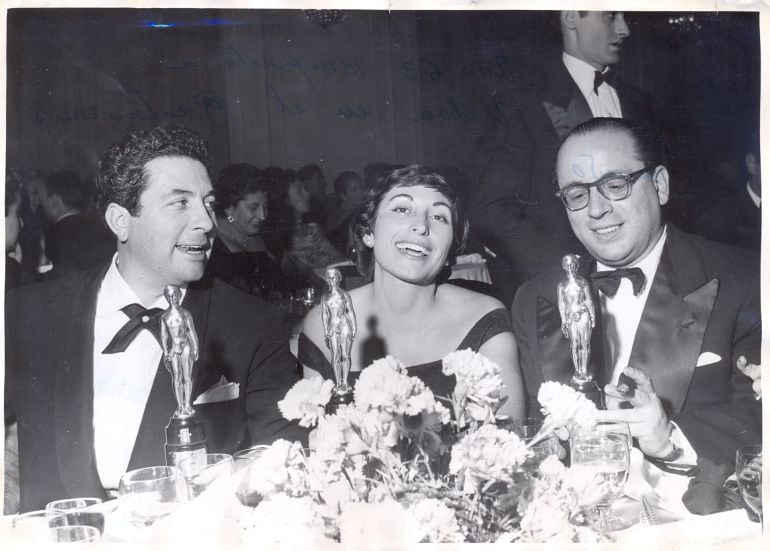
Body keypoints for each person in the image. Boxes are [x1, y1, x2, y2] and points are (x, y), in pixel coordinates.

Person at [5, 124, 305, 511]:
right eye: (180, 203)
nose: (206, 223)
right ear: (120, 220)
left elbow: (281, 457)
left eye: (208, 204)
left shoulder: (254, 324)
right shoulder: (30, 312)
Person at [511, 118, 760, 512]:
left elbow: (759, 415)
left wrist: (670, 437)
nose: (596, 209)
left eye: (615, 185)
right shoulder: (534, 299)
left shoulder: (746, 279)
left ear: (659, 185)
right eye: (576, 194)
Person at [299, 165, 525, 419]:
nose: (421, 225)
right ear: (368, 233)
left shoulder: (484, 319)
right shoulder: (325, 323)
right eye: (401, 209)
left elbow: (509, 442)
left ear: (452, 247)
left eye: (439, 217)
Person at [469, 11, 657, 303]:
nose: (624, 29)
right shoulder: (518, 100)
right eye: (610, 16)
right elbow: (490, 210)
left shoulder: (641, 102)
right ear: (570, 16)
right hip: (564, 292)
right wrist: (570, 276)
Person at [207, 163, 306, 298]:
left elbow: (299, 276)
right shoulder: (211, 247)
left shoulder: (266, 237)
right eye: (253, 208)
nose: (263, 216)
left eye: (265, 207)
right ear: (229, 207)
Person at [265, 167, 348, 278]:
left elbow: (341, 260)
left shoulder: (313, 229)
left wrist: (329, 259)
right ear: (285, 200)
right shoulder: (278, 237)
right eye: (299, 191)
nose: (307, 194)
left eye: (304, 189)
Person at [35, 170, 115, 277]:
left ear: (54, 202)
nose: (39, 205)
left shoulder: (52, 235)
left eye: (41, 200)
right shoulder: (102, 228)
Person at [161, 285, 198, 417]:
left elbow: (192, 332)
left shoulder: (185, 313)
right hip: (173, 349)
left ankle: (187, 404)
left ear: (179, 295)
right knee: (176, 377)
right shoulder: (164, 316)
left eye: (174, 295)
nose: (172, 298)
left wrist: (196, 348)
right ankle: (180, 406)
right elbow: (164, 336)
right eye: (169, 296)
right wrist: (166, 352)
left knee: (187, 376)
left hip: (186, 346)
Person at [557, 253, 595, 381]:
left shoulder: (582, 282)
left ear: (576, 265)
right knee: (574, 344)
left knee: (585, 343)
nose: (570, 267)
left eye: (572, 264)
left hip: (583, 314)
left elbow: (589, 300)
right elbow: (561, 304)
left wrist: (593, 316)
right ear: (563, 266)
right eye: (567, 264)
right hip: (570, 318)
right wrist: (563, 320)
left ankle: (584, 370)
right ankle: (577, 371)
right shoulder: (561, 285)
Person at [320, 267, 357, 389]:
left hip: (345, 325)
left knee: (346, 355)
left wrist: (354, 328)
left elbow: (351, 312)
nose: (332, 280)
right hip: (332, 326)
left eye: (334, 277)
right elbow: (325, 314)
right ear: (327, 280)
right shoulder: (325, 297)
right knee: (335, 355)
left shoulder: (345, 295)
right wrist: (326, 330)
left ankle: (345, 382)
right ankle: (338, 382)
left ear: (339, 278)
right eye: (329, 278)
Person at [324, 170, 364, 255]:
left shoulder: (354, 212)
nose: (360, 192)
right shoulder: (346, 218)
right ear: (343, 196)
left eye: (361, 187)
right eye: (354, 189)